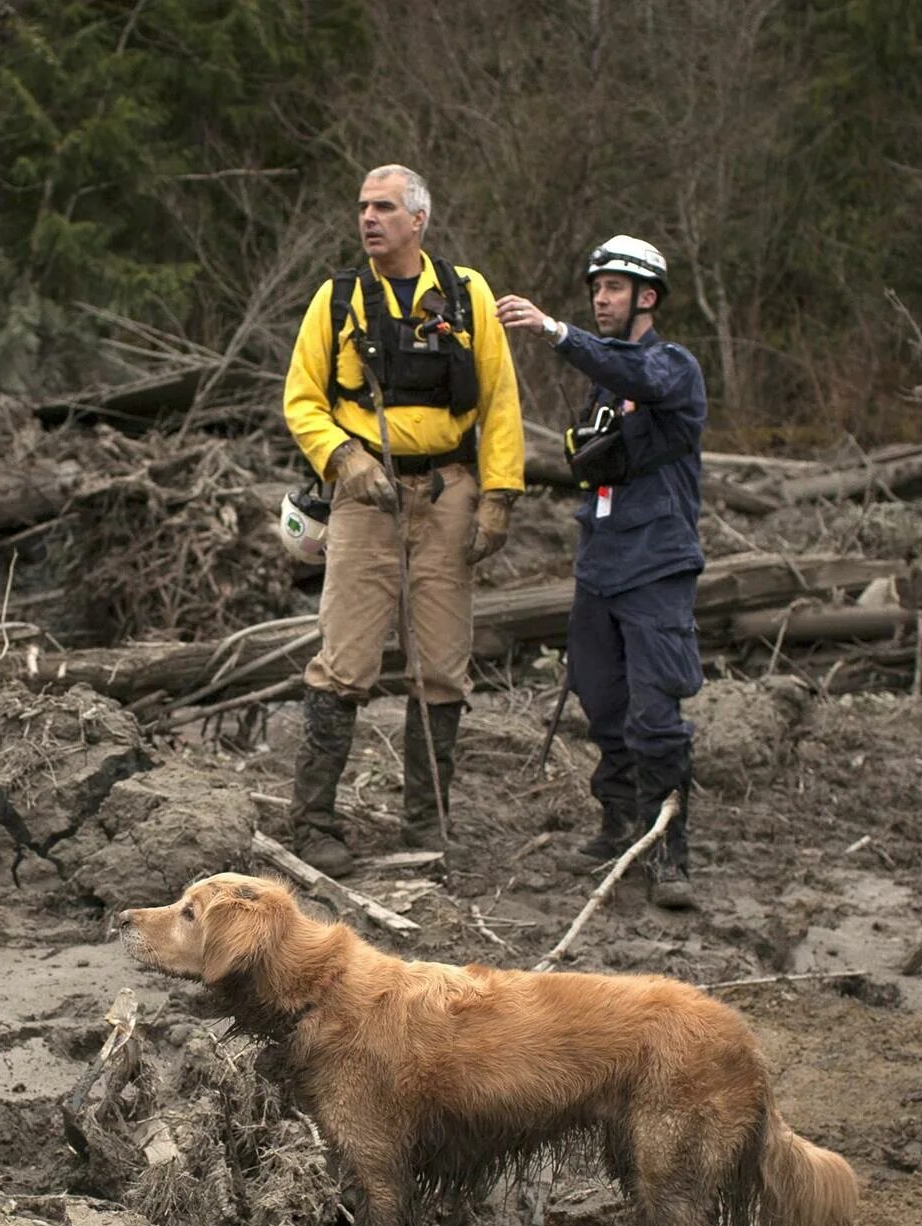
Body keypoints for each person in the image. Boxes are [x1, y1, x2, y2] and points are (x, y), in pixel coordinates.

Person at [280, 165, 525, 874]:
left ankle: (427, 825)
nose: (368, 218)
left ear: (418, 219)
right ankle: (314, 825)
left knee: (444, 666)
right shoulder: (336, 299)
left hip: (449, 494)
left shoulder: (466, 294)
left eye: (384, 207)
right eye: (361, 206)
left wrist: (499, 496)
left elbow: (502, 400)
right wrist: (341, 459)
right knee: (344, 660)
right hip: (364, 499)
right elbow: (301, 399)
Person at [496, 236, 707, 910]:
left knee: (656, 714)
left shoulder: (673, 369)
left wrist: (556, 330)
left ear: (647, 296)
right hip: (600, 569)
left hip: (657, 567)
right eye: (596, 289)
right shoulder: (603, 388)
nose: (601, 298)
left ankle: (669, 850)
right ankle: (618, 825)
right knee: (603, 703)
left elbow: (636, 375)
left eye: (615, 288)